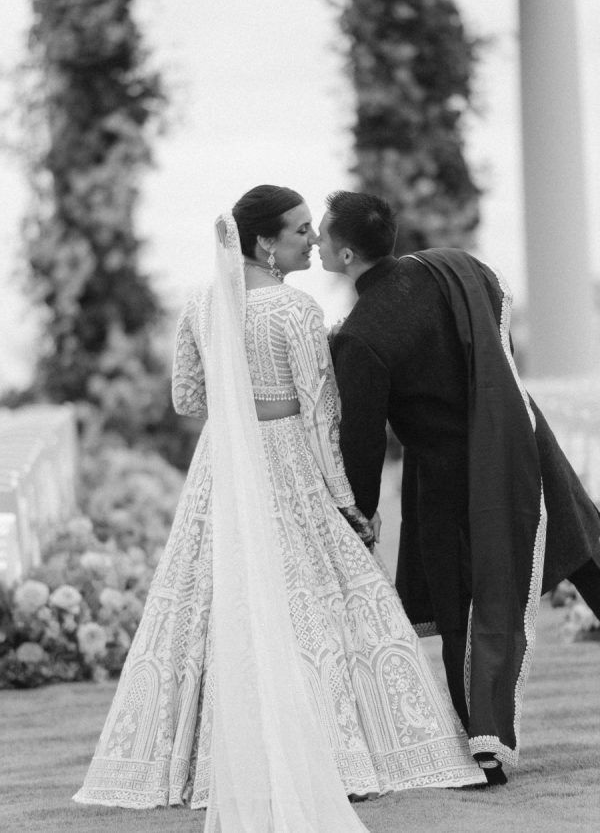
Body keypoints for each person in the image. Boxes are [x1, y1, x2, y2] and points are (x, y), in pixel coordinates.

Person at [73, 185, 486, 828]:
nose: (312, 240)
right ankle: (342, 750)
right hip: (289, 458)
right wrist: (349, 505)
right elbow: (323, 416)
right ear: (265, 242)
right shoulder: (296, 311)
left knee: (213, 599)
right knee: (314, 600)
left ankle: (192, 756)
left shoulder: (201, 303)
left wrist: (238, 406)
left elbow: (186, 398)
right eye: (300, 230)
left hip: (223, 463)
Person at [320, 189, 600, 785]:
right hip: (519, 436)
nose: (316, 242)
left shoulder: (361, 337)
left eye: (322, 235)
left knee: (465, 604)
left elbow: (362, 443)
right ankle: (486, 739)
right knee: (586, 551)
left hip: (455, 479)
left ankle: (486, 747)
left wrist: (359, 513)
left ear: (346, 255)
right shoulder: (452, 268)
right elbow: (497, 330)